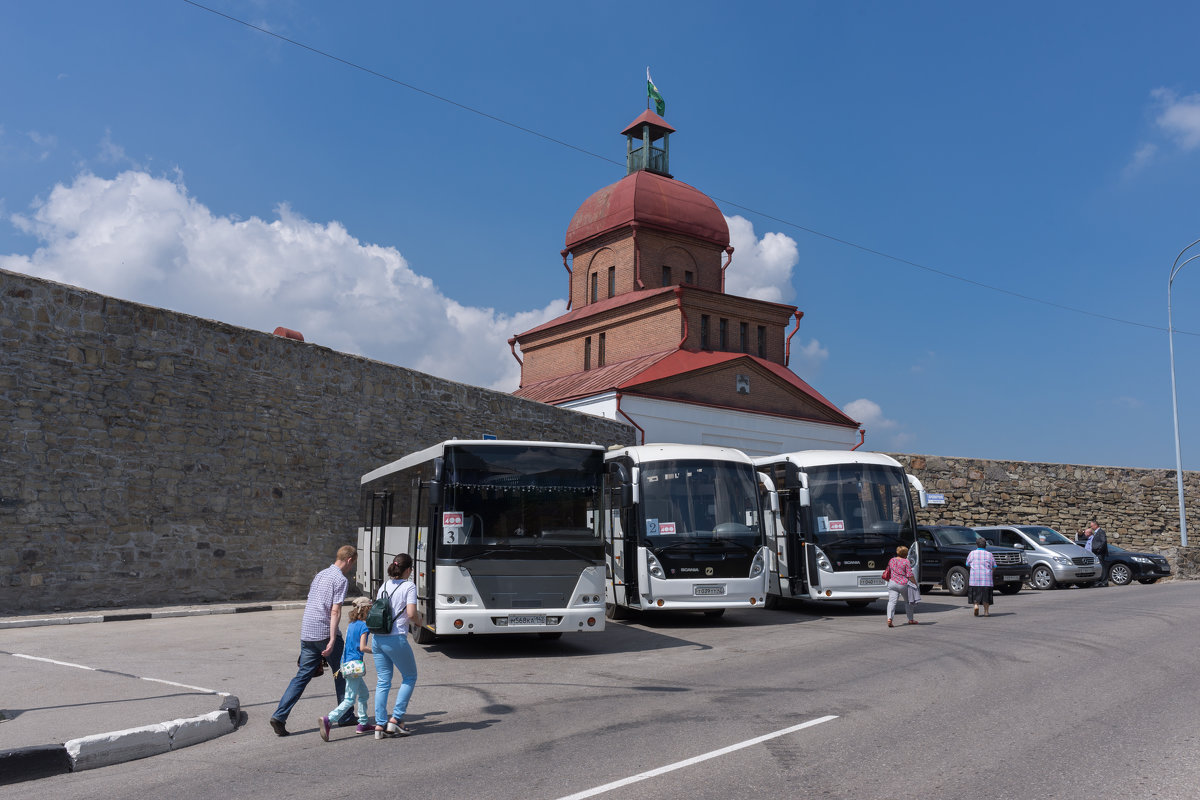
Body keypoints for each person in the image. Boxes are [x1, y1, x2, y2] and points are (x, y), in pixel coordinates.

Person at [270, 545, 357, 736]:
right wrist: (333, 638)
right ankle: (345, 715)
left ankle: (279, 716)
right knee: (342, 673)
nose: (351, 568)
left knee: (301, 677)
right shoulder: (340, 579)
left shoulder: (320, 574)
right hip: (325, 632)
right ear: (349, 560)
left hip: (308, 631)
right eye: (353, 564)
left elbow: (311, 601)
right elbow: (335, 610)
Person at [372, 553, 421, 739]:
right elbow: (411, 613)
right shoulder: (409, 586)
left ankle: (379, 724)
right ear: (408, 569)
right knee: (410, 676)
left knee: (383, 681)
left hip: (378, 638)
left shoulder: (383, 585)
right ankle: (396, 719)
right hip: (396, 638)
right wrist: (419, 622)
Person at [319, 597, 374, 740]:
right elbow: (362, 647)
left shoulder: (352, 624)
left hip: (347, 664)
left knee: (364, 694)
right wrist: (377, 650)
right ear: (366, 609)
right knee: (349, 699)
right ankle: (329, 719)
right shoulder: (364, 626)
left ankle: (363, 723)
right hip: (355, 666)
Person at [884, 546, 919, 627]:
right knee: (908, 601)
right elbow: (910, 575)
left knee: (892, 602)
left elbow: (889, 570)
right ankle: (910, 619)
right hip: (903, 584)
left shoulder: (892, 560)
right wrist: (915, 584)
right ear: (906, 553)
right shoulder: (906, 561)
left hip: (892, 583)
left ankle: (889, 618)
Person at [966, 537, 997, 616]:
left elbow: (967, 564)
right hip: (986, 580)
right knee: (986, 597)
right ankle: (986, 611)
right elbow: (994, 566)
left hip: (974, 580)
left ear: (977, 545)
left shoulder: (972, 553)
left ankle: (976, 605)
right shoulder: (989, 554)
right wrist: (991, 572)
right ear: (985, 545)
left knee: (975, 595)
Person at [1090, 520, 1110, 586]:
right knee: (1099, 567)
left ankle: (1104, 582)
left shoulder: (1101, 532)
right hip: (1096, 553)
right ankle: (1099, 581)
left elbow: (1103, 541)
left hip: (1100, 553)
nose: (1091, 527)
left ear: (1096, 525)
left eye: (1092, 526)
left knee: (1102, 567)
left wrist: (1099, 549)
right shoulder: (1096, 532)